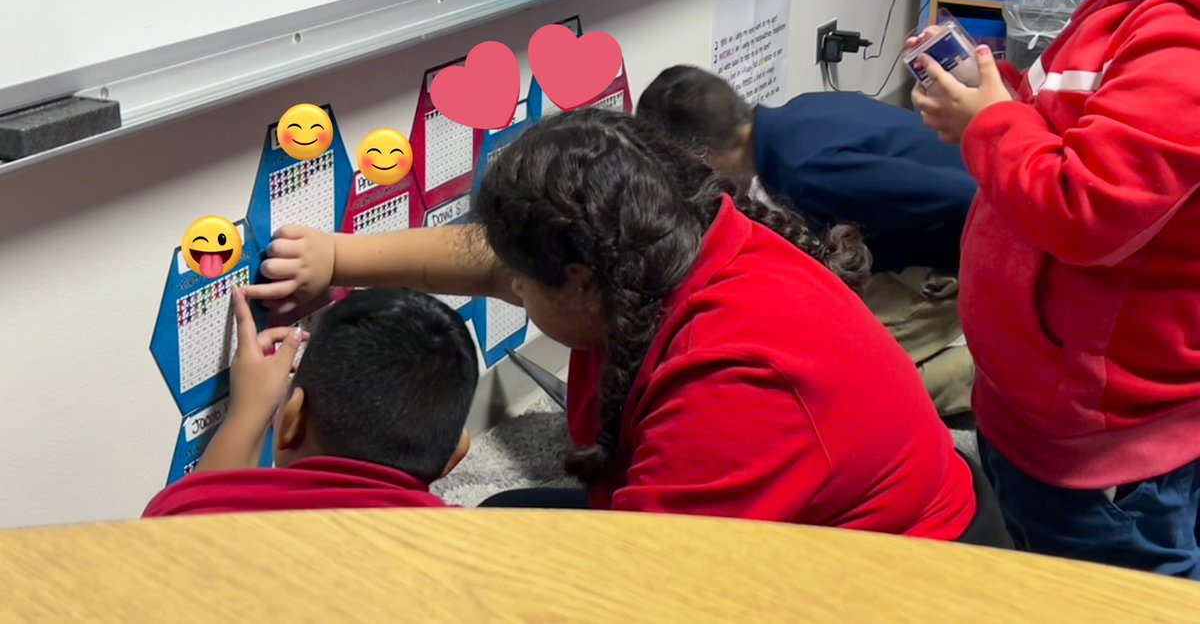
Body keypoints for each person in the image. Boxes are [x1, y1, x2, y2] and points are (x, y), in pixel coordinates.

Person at [244, 108, 1010, 546]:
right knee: (500, 523)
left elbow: (639, 592)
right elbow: (490, 260)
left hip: (901, 578)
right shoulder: (668, 240)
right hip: (820, 512)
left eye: (523, 282)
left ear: (577, 282)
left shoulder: (728, 382)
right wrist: (340, 256)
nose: (509, 285)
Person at [911, 0, 1200, 577]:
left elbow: (1085, 207)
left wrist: (992, 126)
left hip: (1103, 449)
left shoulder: (1183, 44)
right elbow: (1066, 128)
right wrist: (992, 106)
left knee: (1113, 591)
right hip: (1035, 405)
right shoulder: (1127, 1)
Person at [636, 66, 976, 419]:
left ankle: (996, 376)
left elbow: (964, 194)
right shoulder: (801, 111)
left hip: (949, 263)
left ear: (702, 157)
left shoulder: (804, 169)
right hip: (913, 239)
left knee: (839, 389)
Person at [143, 288, 476, 516]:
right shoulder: (485, 547)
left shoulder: (176, 516)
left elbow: (191, 510)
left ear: (291, 421)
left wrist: (248, 413)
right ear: (455, 454)